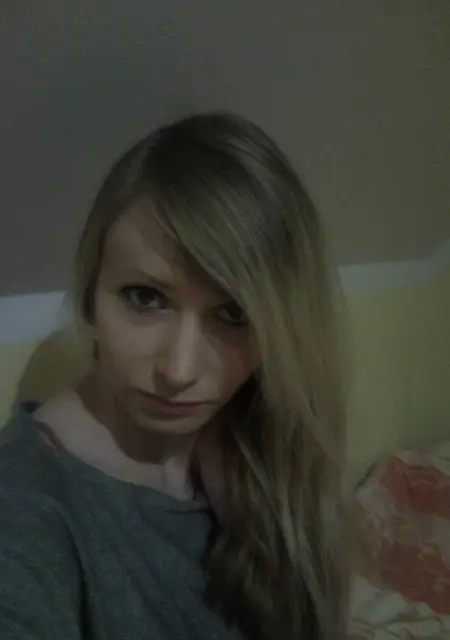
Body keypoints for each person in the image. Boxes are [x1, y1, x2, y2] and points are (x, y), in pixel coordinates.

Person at [0, 113, 349, 639]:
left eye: (234, 314)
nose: (179, 371)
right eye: (146, 298)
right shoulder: (24, 507)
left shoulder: (261, 445)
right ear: (91, 296)